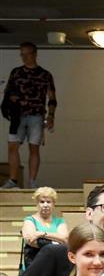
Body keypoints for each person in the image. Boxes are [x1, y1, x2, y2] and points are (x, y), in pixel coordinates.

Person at [3, 42, 56, 188]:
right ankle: (13, 180)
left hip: (36, 115)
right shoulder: (16, 72)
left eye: (28, 54)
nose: (25, 58)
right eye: (22, 55)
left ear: (35, 54)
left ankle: (32, 181)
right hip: (17, 115)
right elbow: (7, 92)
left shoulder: (45, 75)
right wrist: (10, 102)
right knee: (12, 145)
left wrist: (51, 116)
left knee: (34, 148)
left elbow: (52, 97)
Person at [21, 186, 68, 268]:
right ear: (37, 203)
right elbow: (31, 240)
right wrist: (55, 241)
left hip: (54, 265)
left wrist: (41, 234)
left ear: (53, 204)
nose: (45, 205)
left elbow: (65, 239)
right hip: (34, 265)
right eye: (42, 202)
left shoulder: (59, 221)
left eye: (48, 202)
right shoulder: (29, 220)